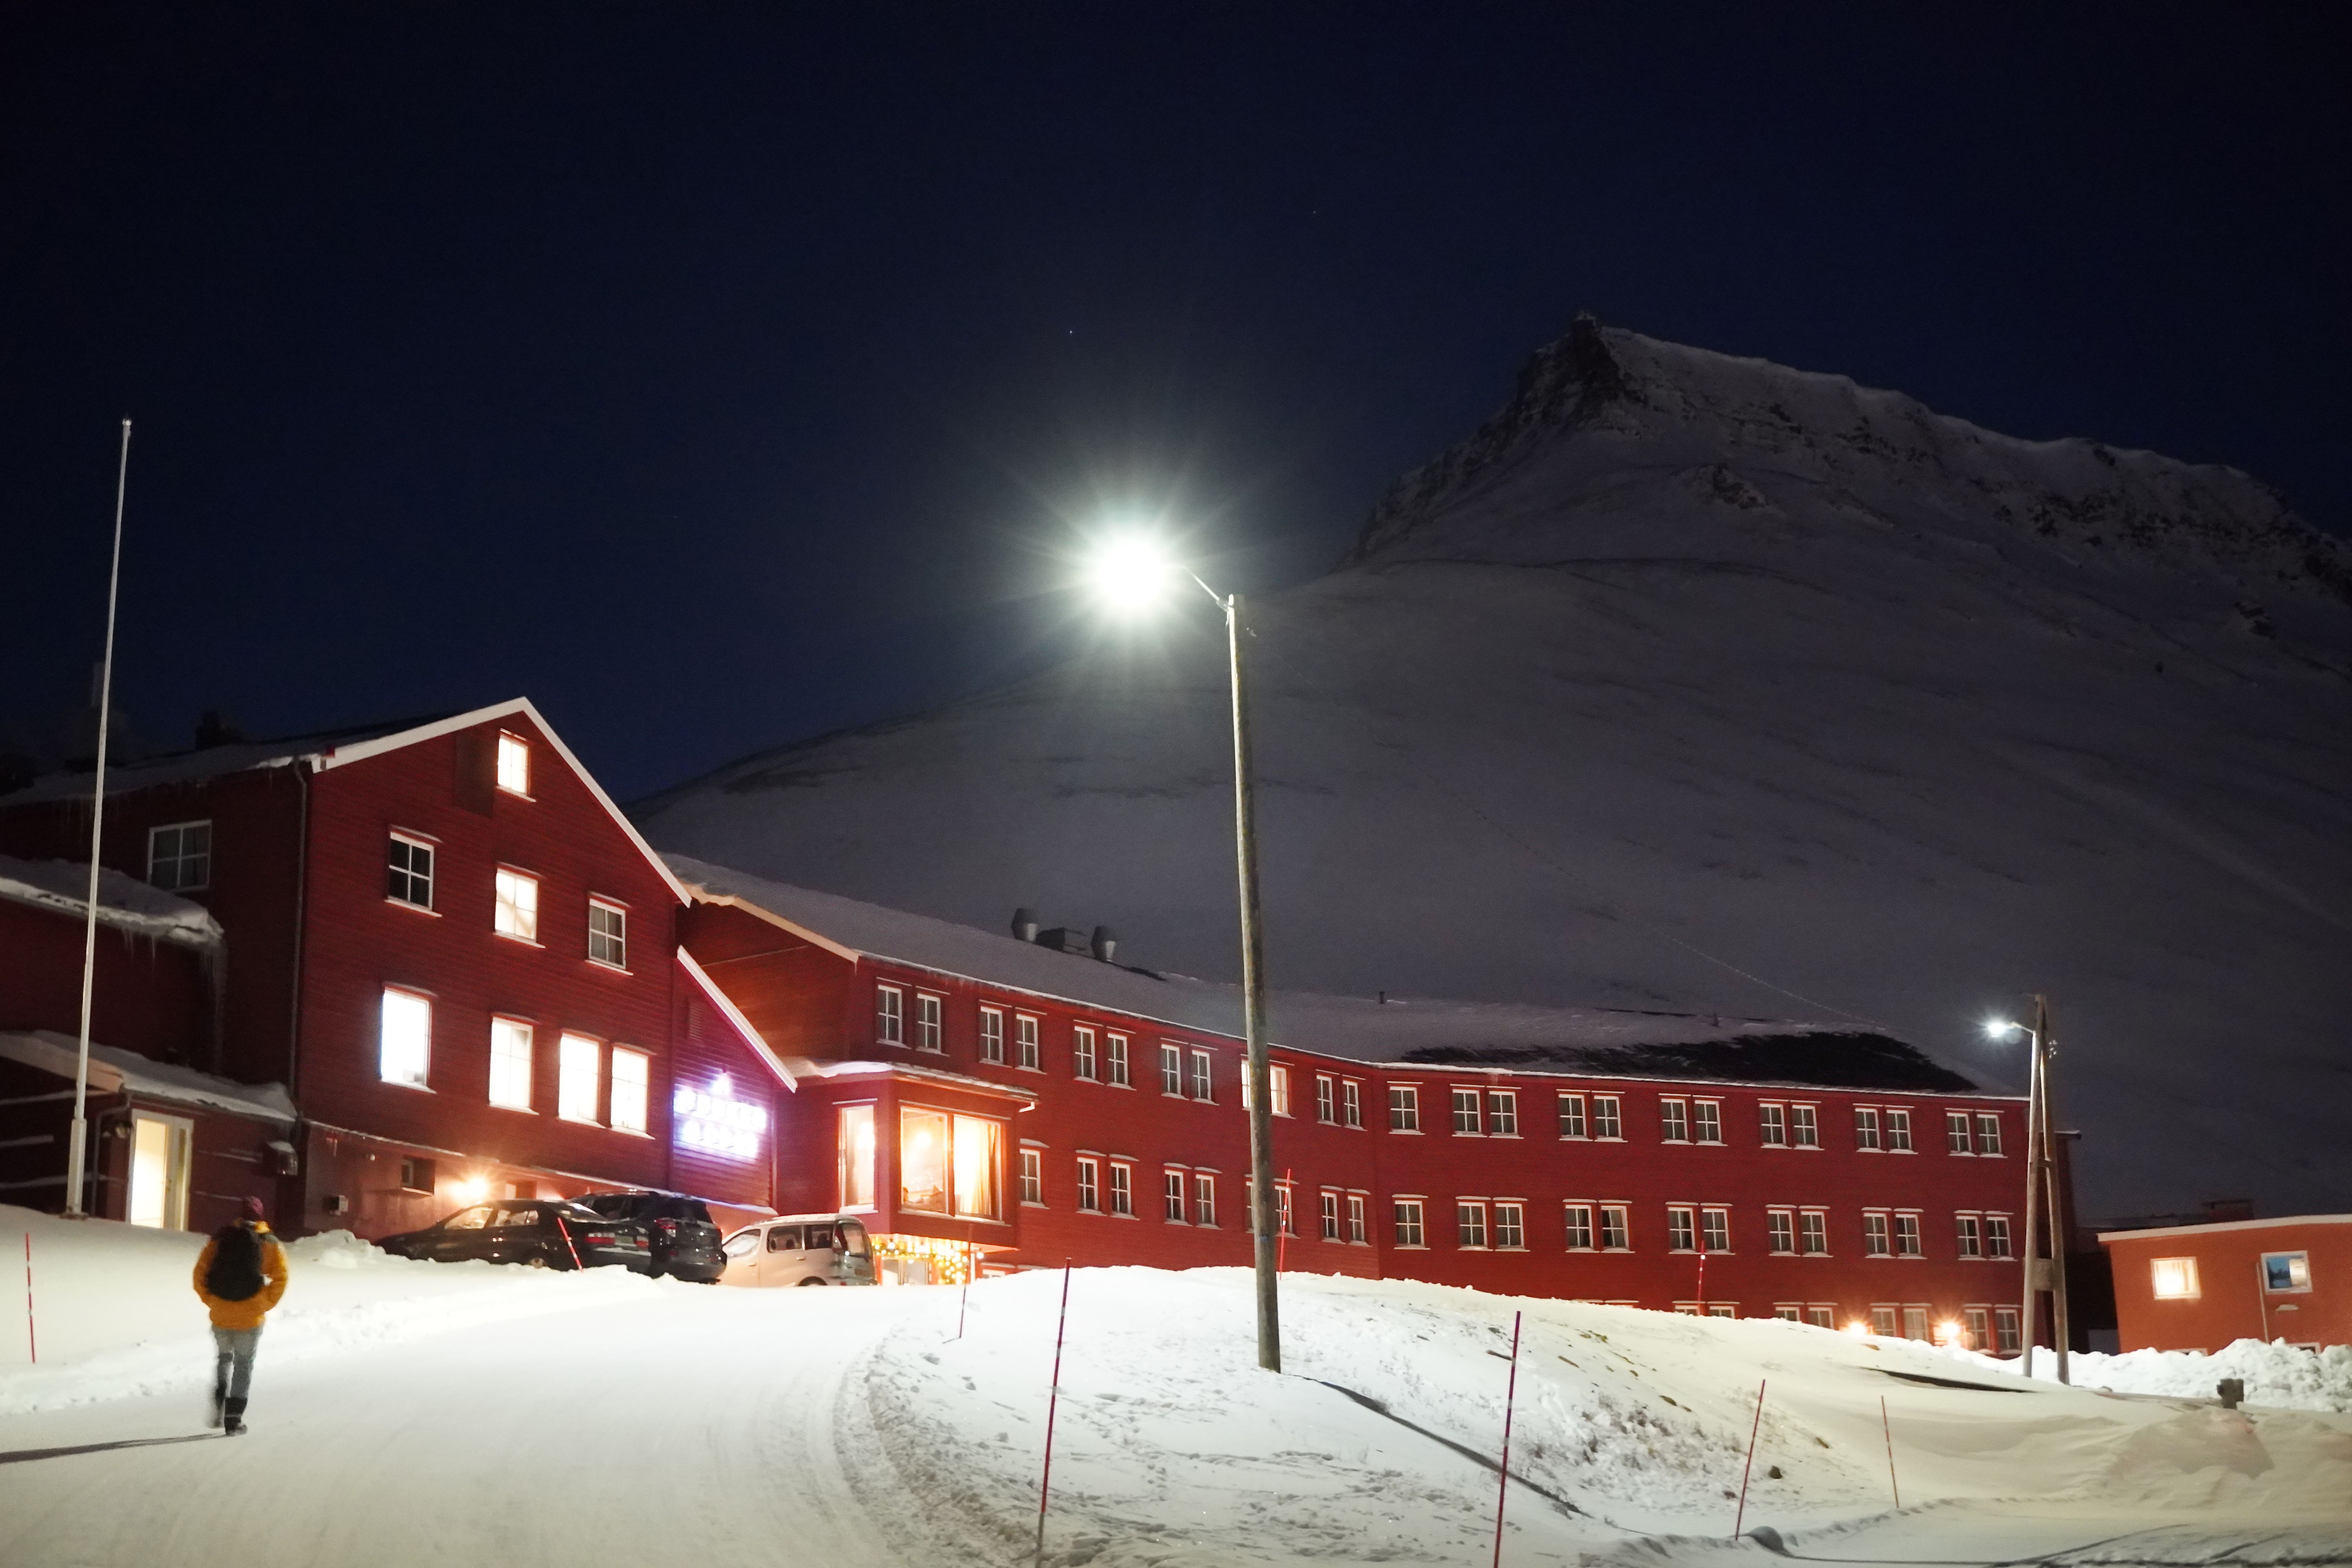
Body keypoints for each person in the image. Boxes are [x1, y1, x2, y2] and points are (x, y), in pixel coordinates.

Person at [192, 1196, 289, 1434]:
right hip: (251, 1316)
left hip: (221, 1313)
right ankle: (234, 1420)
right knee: (244, 1365)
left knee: (224, 1358)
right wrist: (264, 1303)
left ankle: (219, 1398)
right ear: (261, 1216)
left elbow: (199, 1274)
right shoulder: (269, 1242)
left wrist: (212, 1300)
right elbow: (281, 1277)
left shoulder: (221, 1239)